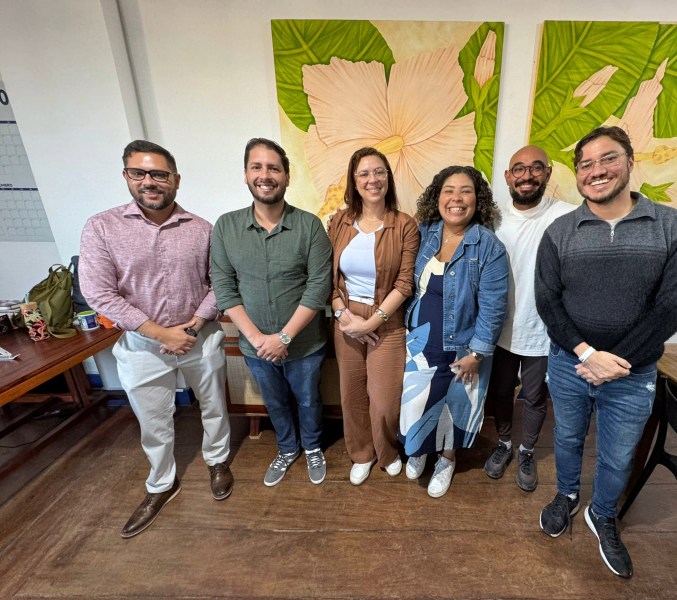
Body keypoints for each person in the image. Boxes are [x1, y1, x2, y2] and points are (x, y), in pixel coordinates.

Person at [535, 126, 677, 578]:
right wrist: (587, 354)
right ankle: (567, 495)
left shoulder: (671, 227)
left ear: (629, 161)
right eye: (585, 164)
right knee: (566, 438)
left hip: (633, 371)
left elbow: (672, 307)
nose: (596, 170)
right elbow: (548, 301)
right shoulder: (560, 232)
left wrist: (614, 362)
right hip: (569, 364)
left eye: (608, 158)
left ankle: (602, 513)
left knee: (619, 454)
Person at [79, 140, 233, 539]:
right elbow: (98, 292)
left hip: (200, 337)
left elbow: (219, 284)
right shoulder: (102, 227)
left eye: (159, 174)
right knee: (153, 420)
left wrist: (193, 327)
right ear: (126, 176)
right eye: (139, 173)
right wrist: (161, 333)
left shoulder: (202, 229)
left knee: (214, 406)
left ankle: (217, 461)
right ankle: (162, 482)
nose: (149, 181)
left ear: (175, 180)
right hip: (143, 344)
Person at [211, 138, 332, 487]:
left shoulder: (309, 226)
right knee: (275, 402)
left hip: (305, 344)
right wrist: (259, 340)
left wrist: (284, 337)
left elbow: (318, 287)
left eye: (274, 168)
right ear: (246, 175)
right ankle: (287, 448)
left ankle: (312, 446)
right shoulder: (226, 227)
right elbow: (224, 287)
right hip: (256, 347)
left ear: (287, 177)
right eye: (257, 167)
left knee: (309, 399)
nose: (265, 175)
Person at [399, 165, 509, 498]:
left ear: (478, 199)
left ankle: (446, 460)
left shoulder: (488, 246)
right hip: (419, 342)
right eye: (449, 190)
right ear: (438, 197)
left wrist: (477, 354)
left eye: (466, 191)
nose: (456, 198)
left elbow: (493, 307)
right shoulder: (425, 233)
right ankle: (419, 449)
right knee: (417, 403)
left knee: (455, 408)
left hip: (464, 348)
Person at [485, 145, 576, 491]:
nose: (527, 176)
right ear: (508, 176)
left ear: (548, 173)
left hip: (542, 330)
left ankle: (526, 451)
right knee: (501, 391)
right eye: (519, 169)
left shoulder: (566, 216)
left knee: (535, 396)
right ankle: (504, 443)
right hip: (499, 328)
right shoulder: (493, 218)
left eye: (536, 168)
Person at [328, 148, 420, 485]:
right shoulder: (338, 222)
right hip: (345, 317)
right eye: (364, 173)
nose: (372, 179)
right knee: (351, 394)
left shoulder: (405, 225)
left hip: (388, 320)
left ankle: (388, 452)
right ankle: (361, 454)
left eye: (379, 172)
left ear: (388, 178)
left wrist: (370, 323)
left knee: (384, 400)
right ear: (354, 181)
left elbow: (405, 283)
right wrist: (343, 315)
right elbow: (327, 277)